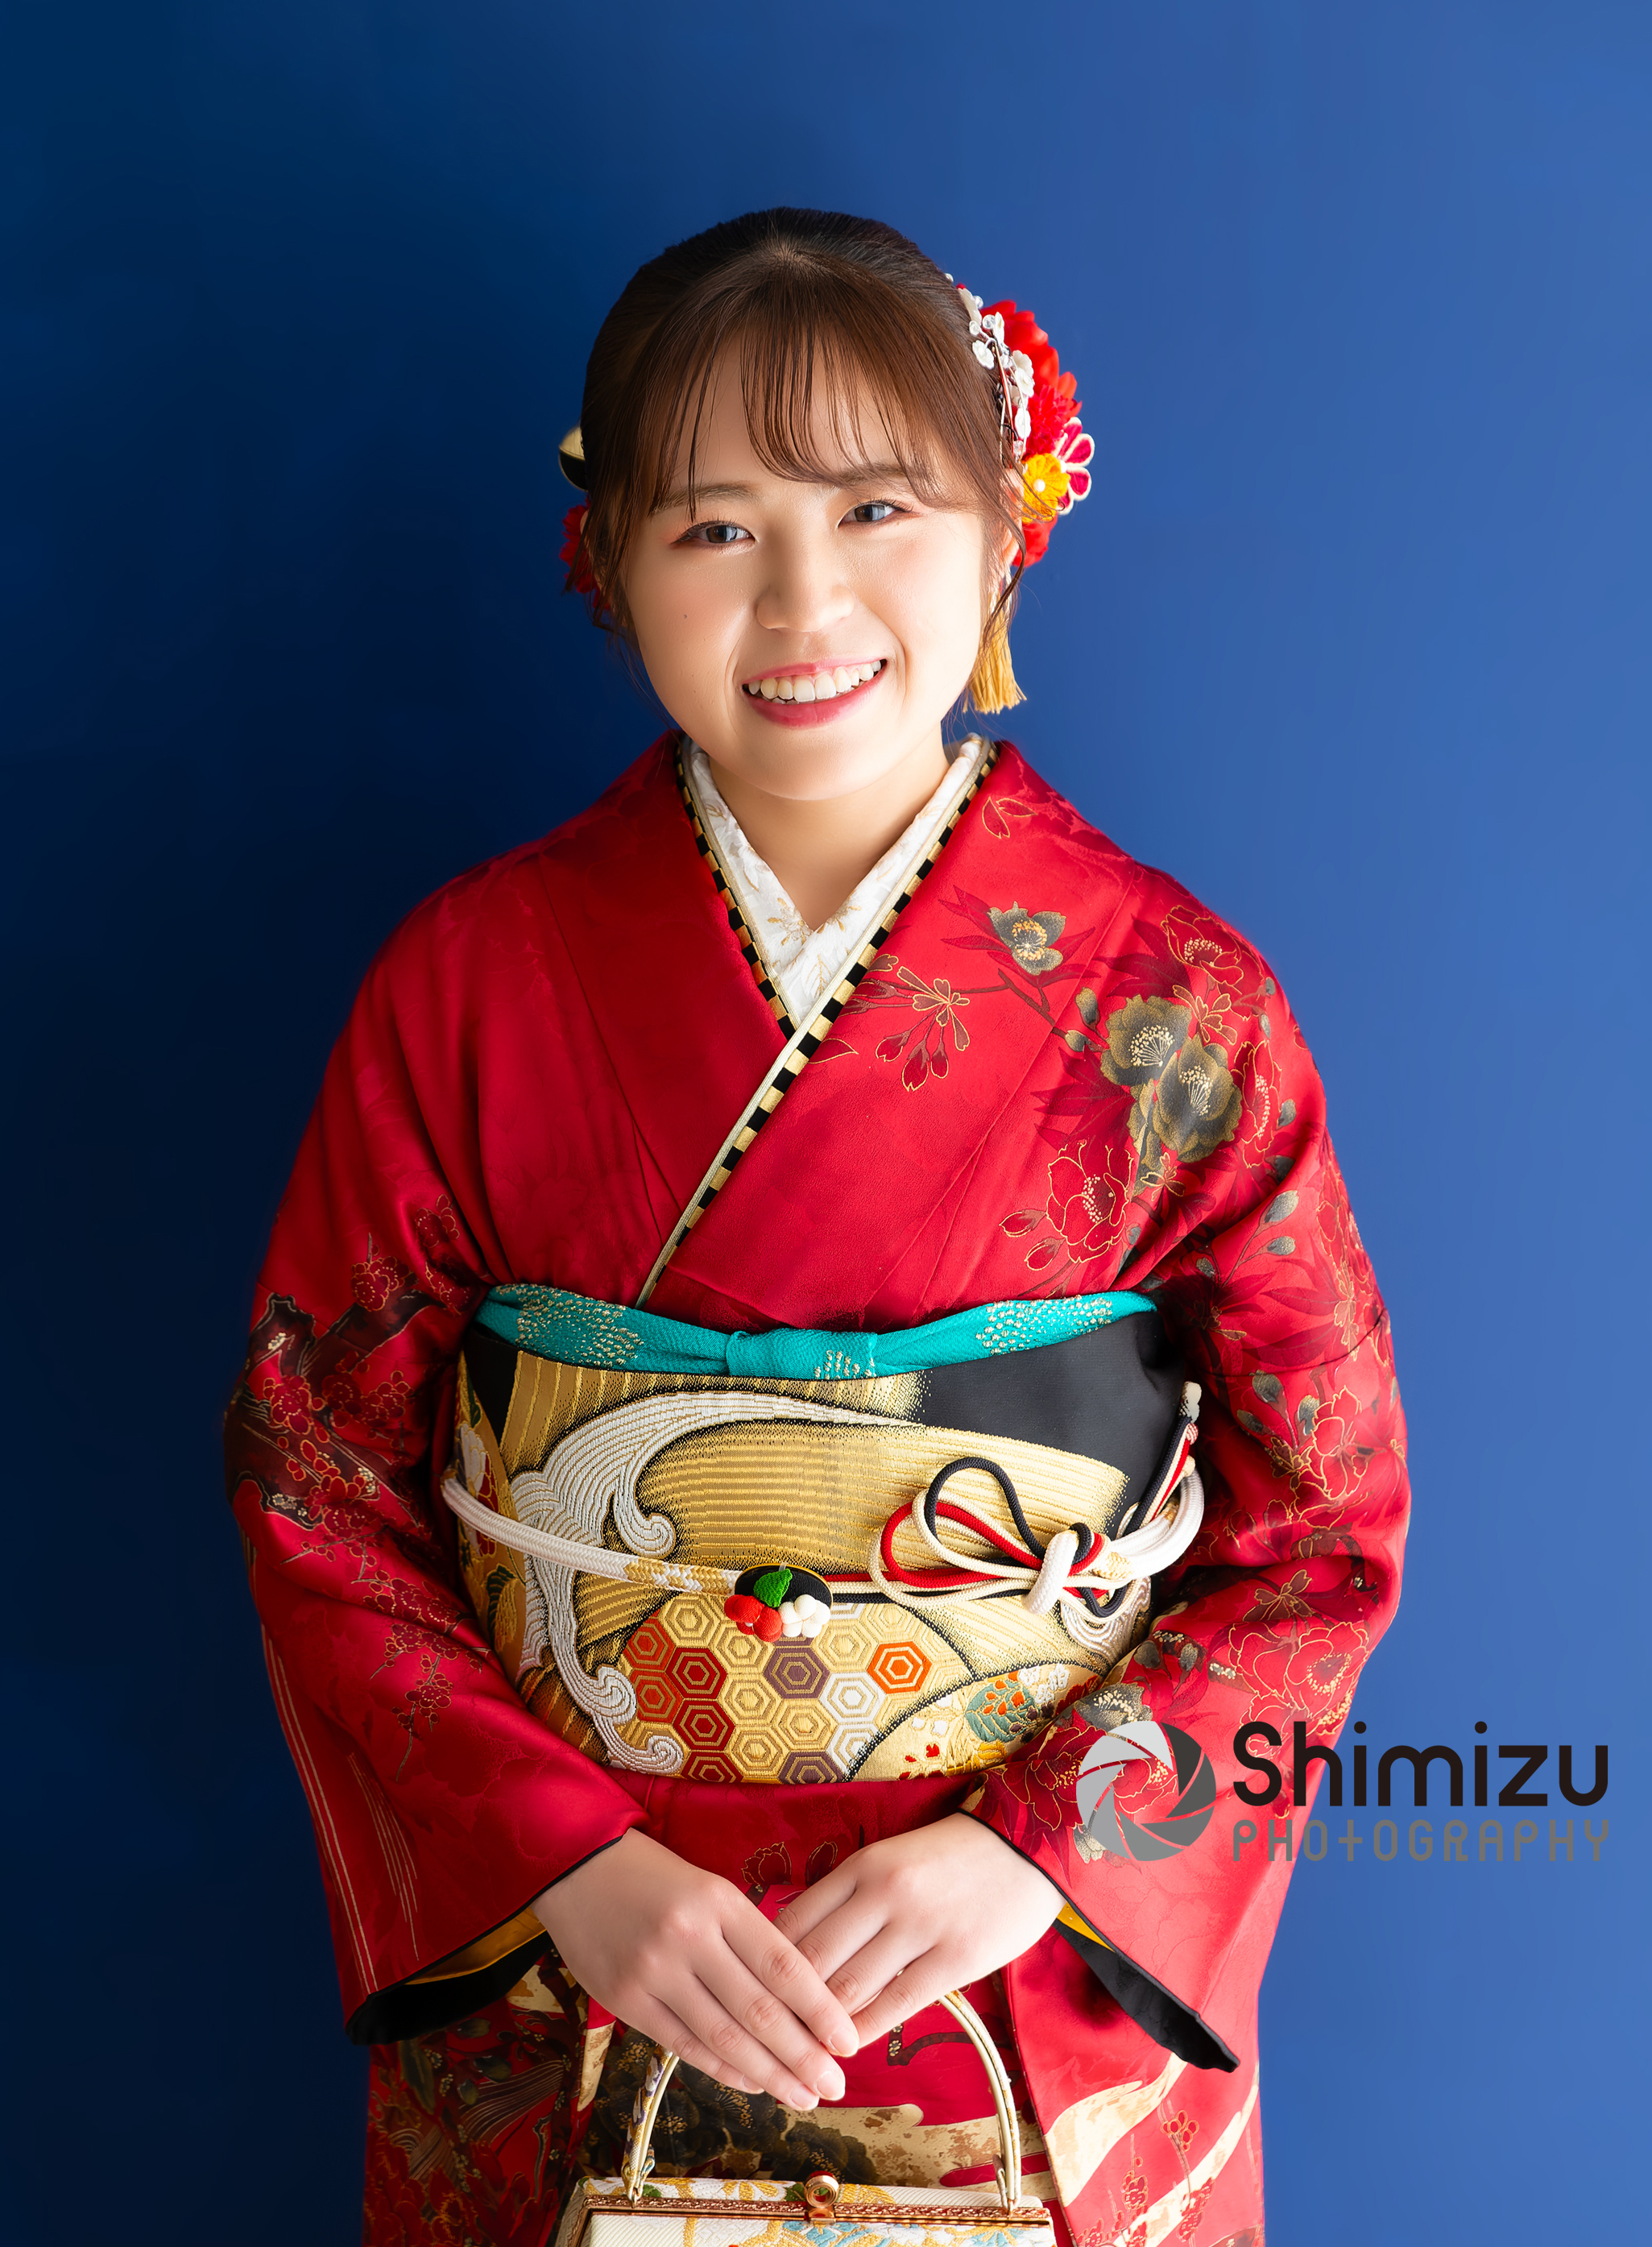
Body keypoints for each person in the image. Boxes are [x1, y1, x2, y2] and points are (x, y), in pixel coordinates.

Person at [226, 208, 1407, 2247]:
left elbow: (1323, 1531)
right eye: (716, 528)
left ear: (1006, 532)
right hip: (589, 1961)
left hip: (1017, 1976)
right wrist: (568, 1865)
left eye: (877, 507)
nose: (804, 599)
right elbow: (312, 1471)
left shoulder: (1176, 1007)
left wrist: (1043, 1855)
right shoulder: (468, 985)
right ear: (607, 562)